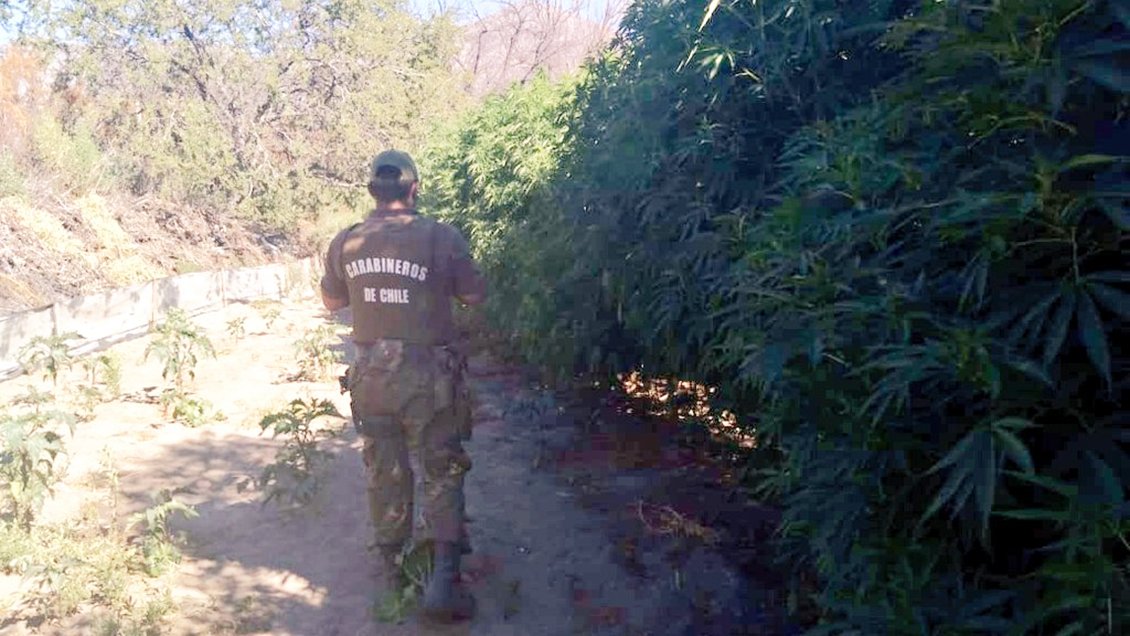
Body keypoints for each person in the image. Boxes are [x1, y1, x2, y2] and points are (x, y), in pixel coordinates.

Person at [319, 149, 486, 623]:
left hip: (371, 377)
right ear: (414, 189)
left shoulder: (346, 241)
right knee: (442, 470)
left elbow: (332, 302)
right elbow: (473, 295)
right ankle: (442, 583)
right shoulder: (440, 237)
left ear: (373, 191)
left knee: (385, 471)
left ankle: (393, 574)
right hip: (429, 379)